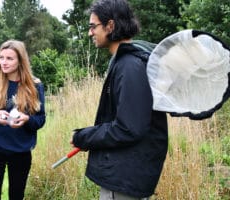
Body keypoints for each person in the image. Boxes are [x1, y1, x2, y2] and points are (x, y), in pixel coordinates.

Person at [71, 0, 168, 199]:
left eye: (93, 26)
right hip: (124, 174)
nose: (90, 32)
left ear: (110, 26)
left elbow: (128, 128)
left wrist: (84, 137)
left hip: (125, 179)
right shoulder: (125, 62)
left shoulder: (130, 66)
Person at [0, 40, 46, 200]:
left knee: (17, 195)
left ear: (20, 61)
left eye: (9, 58)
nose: (4, 62)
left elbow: (41, 120)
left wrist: (27, 119)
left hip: (21, 151)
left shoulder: (35, 86)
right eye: (1, 58)